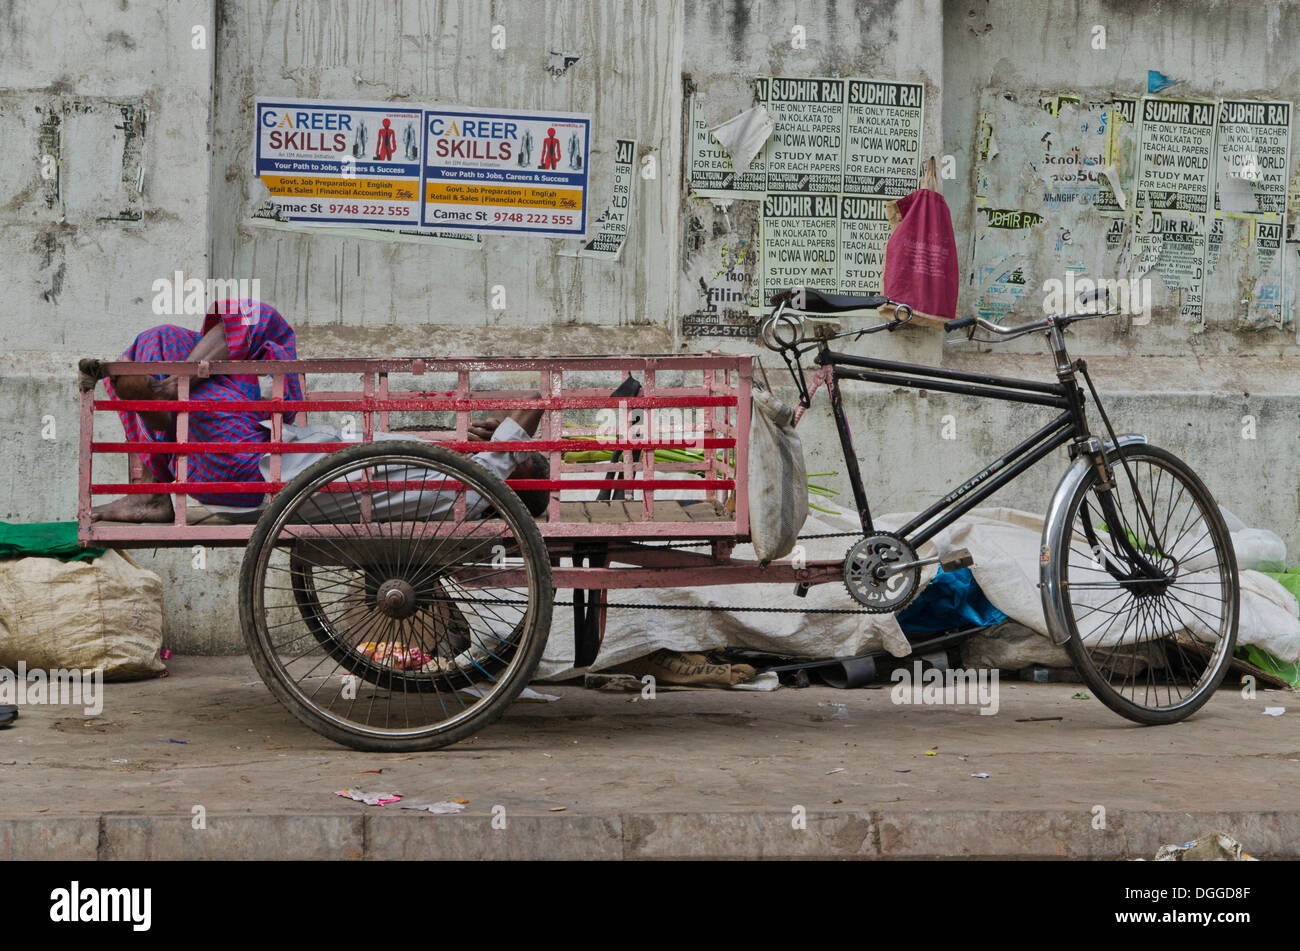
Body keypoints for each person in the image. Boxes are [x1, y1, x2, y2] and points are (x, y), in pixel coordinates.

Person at [91, 301, 549, 522]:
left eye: (518, 452)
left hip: (252, 469)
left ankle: (168, 399)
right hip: (261, 460)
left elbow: (534, 404)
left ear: (514, 468)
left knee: (242, 323)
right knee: (168, 343)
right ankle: (173, 392)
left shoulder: (475, 490)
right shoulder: (458, 489)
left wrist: (500, 442)